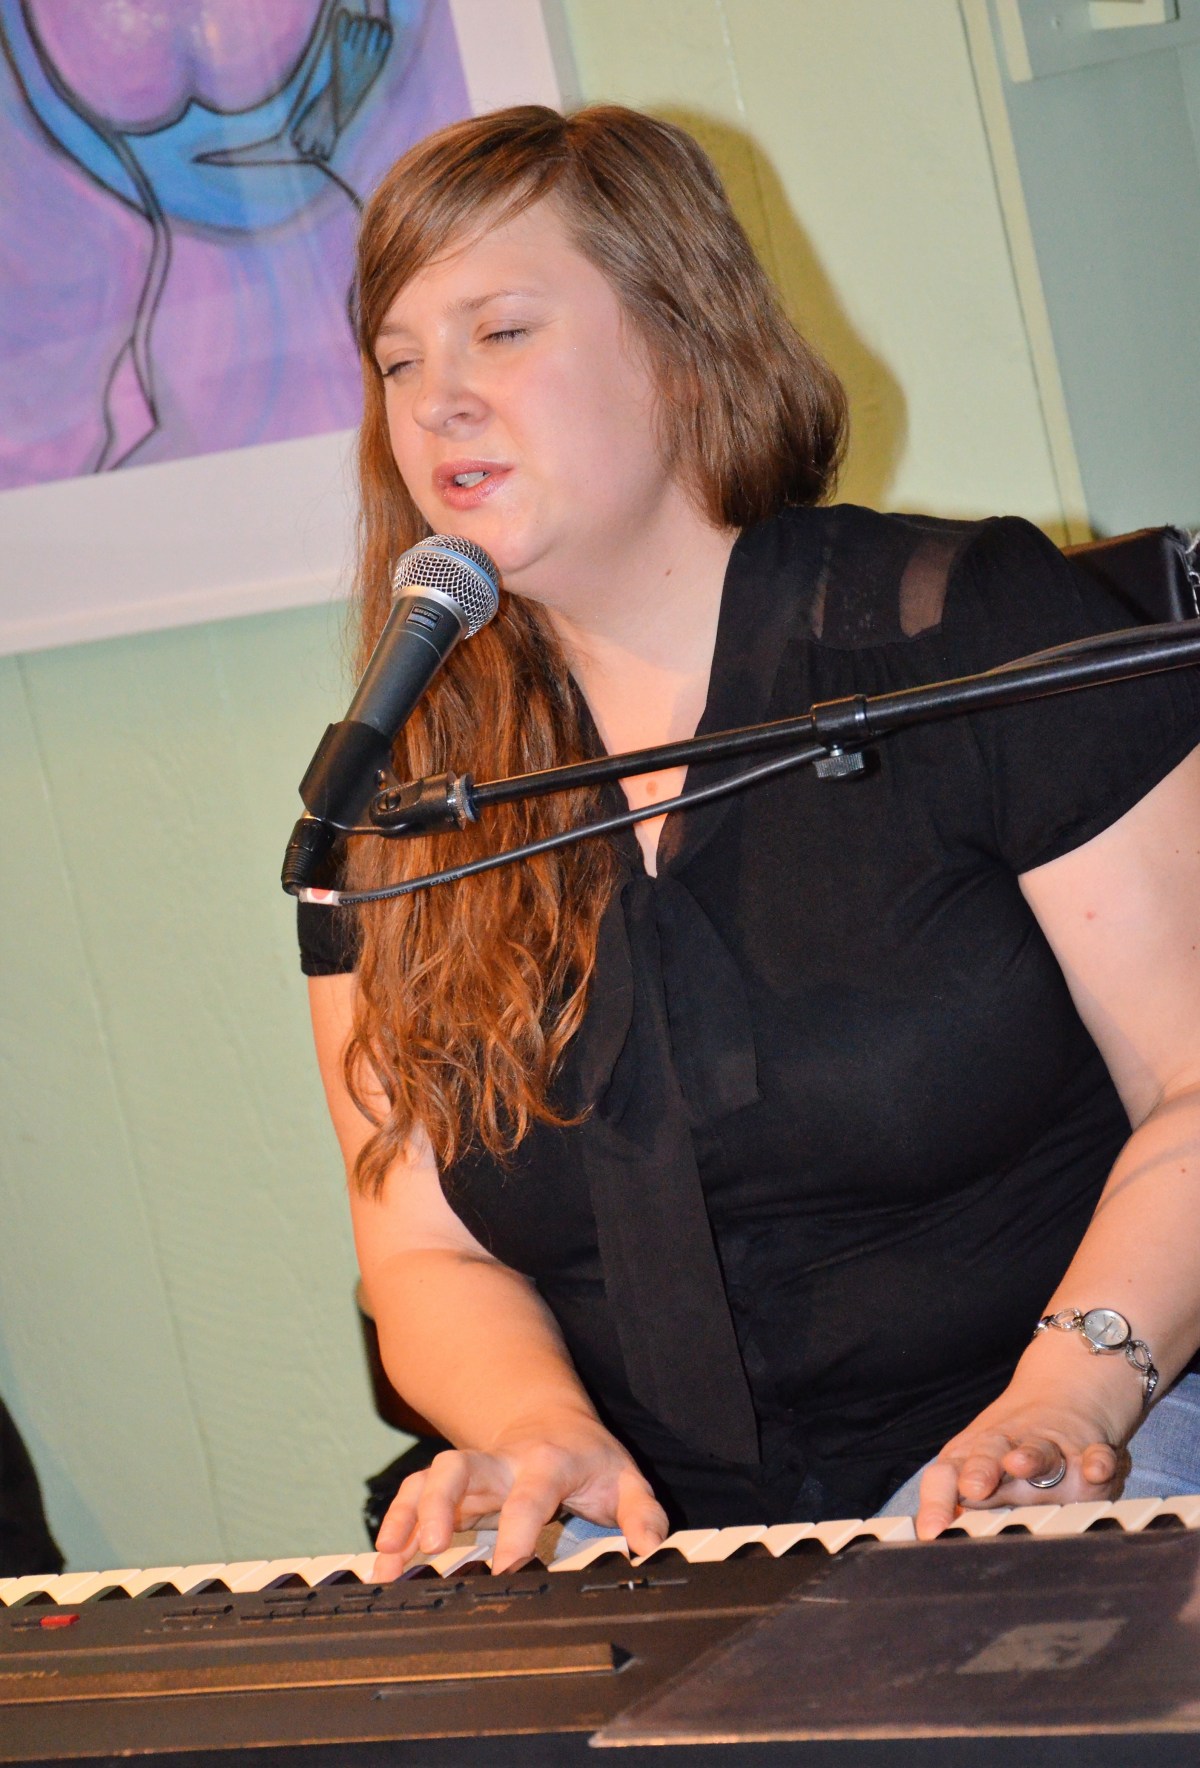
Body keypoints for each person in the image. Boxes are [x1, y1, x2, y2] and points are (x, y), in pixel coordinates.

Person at [300, 104, 1200, 1573]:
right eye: (398, 362)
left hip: (1062, 1429)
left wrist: (1068, 1394)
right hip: (659, 1528)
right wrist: (539, 1429)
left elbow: (1192, 1084)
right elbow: (421, 1251)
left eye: (500, 333)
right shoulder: (400, 792)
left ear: (680, 337)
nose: (437, 401)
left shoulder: (970, 630)